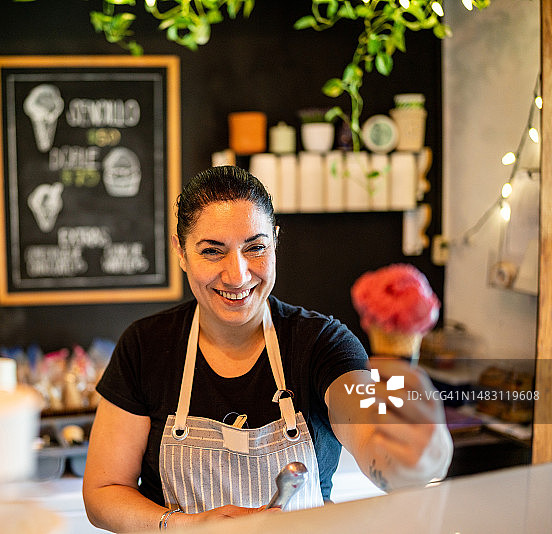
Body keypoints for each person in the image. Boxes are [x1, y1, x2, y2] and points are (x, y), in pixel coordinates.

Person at [82, 166, 452, 532]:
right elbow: (103, 492)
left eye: (255, 247)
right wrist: (185, 526)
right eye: (213, 251)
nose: (238, 275)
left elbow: (369, 434)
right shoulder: (146, 346)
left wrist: (416, 457)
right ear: (180, 250)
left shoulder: (323, 344)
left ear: (275, 240)